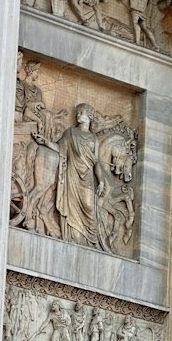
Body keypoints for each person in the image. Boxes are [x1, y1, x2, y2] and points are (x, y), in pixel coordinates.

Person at [34, 103, 105, 249]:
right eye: (78, 112)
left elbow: (97, 162)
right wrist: (46, 142)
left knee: (89, 207)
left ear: (89, 116)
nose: (79, 115)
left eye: (82, 112)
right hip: (72, 175)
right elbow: (61, 149)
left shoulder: (94, 139)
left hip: (87, 179)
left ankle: (90, 241)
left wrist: (102, 180)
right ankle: (75, 238)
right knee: (72, 208)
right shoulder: (70, 133)